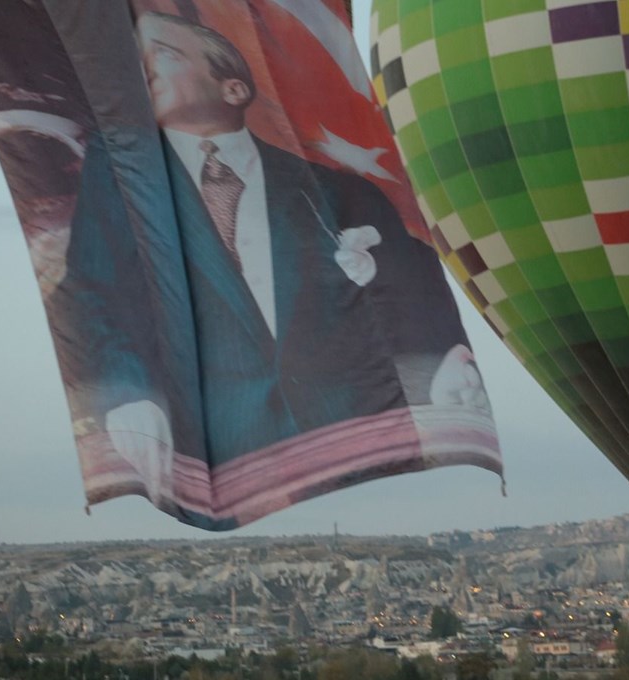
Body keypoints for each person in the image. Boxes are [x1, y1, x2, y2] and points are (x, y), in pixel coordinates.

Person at [59, 10, 487, 512]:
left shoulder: (339, 192)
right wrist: (129, 394)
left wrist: (440, 361)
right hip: (223, 450)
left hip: (354, 444)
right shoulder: (118, 182)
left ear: (234, 90)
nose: (144, 67)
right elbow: (91, 295)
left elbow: (415, 287)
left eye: (165, 55)